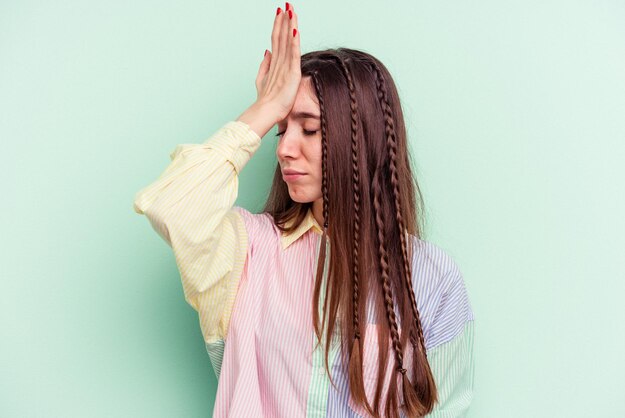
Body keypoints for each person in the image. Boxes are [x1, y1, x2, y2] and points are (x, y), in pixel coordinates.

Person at [133, 3, 474, 417]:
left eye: (309, 128)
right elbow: (173, 207)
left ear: (360, 139)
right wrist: (262, 111)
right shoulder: (248, 253)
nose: (283, 149)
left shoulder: (432, 279)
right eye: (281, 128)